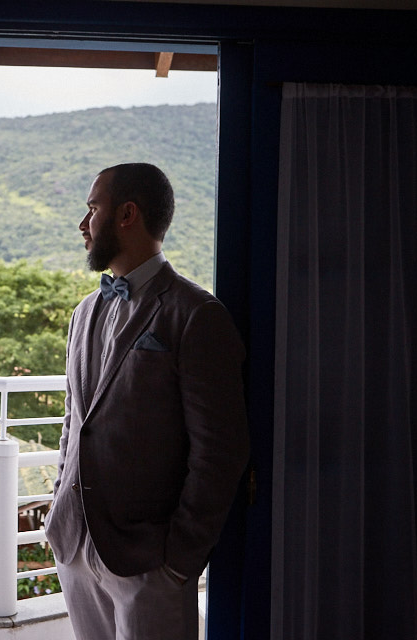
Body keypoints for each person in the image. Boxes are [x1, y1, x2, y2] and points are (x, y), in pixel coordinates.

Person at [44, 163, 249, 640]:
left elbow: (220, 451)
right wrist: (59, 504)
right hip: (75, 545)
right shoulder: (84, 312)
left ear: (127, 214)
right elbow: (76, 420)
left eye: (92, 208)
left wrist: (178, 561)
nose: (83, 223)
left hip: (148, 561)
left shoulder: (197, 315)